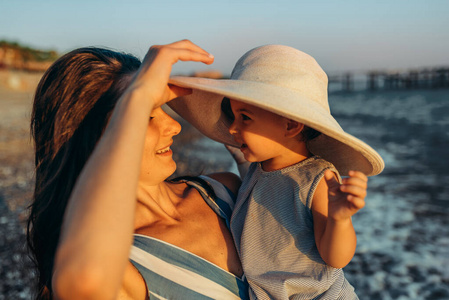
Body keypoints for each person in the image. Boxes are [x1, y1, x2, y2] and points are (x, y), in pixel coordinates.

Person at [26, 40, 250, 300]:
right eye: (147, 115)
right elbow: (83, 281)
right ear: (96, 137)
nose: (175, 127)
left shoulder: (223, 190)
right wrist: (139, 95)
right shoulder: (120, 263)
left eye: (163, 108)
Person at [167, 45, 385, 299]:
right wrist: (243, 154)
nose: (233, 128)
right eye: (233, 116)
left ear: (291, 124)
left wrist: (340, 219)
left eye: (244, 117)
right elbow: (261, 187)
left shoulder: (316, 178)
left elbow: (335, 258)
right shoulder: (260, 168)